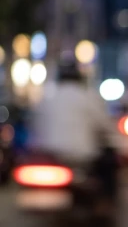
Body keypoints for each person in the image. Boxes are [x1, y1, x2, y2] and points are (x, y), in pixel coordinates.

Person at [30, 56, 119, 208]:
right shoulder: (89, 97)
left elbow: (34, 127)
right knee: (109, 166)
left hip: (48, 155)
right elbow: (105, 126)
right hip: (82, 158)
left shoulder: (46, 98)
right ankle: (105, 206)